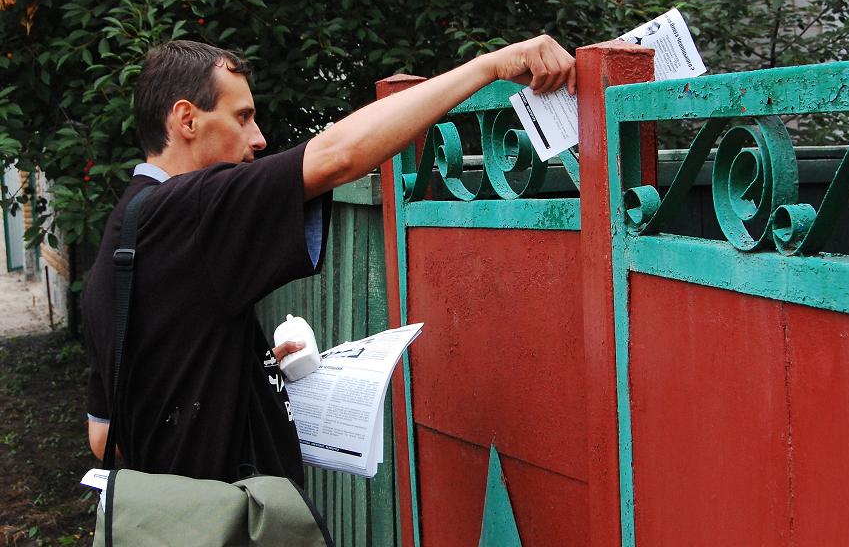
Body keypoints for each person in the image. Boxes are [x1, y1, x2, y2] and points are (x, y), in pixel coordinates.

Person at [83, 35, 576, 485]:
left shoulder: (124, 234)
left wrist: (244, 378)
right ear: (187, 120)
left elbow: (106, 438)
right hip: (231, 523)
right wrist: (490, 66)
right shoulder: (189, 209)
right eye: (242, 117)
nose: (258, 139)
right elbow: (338, 156)